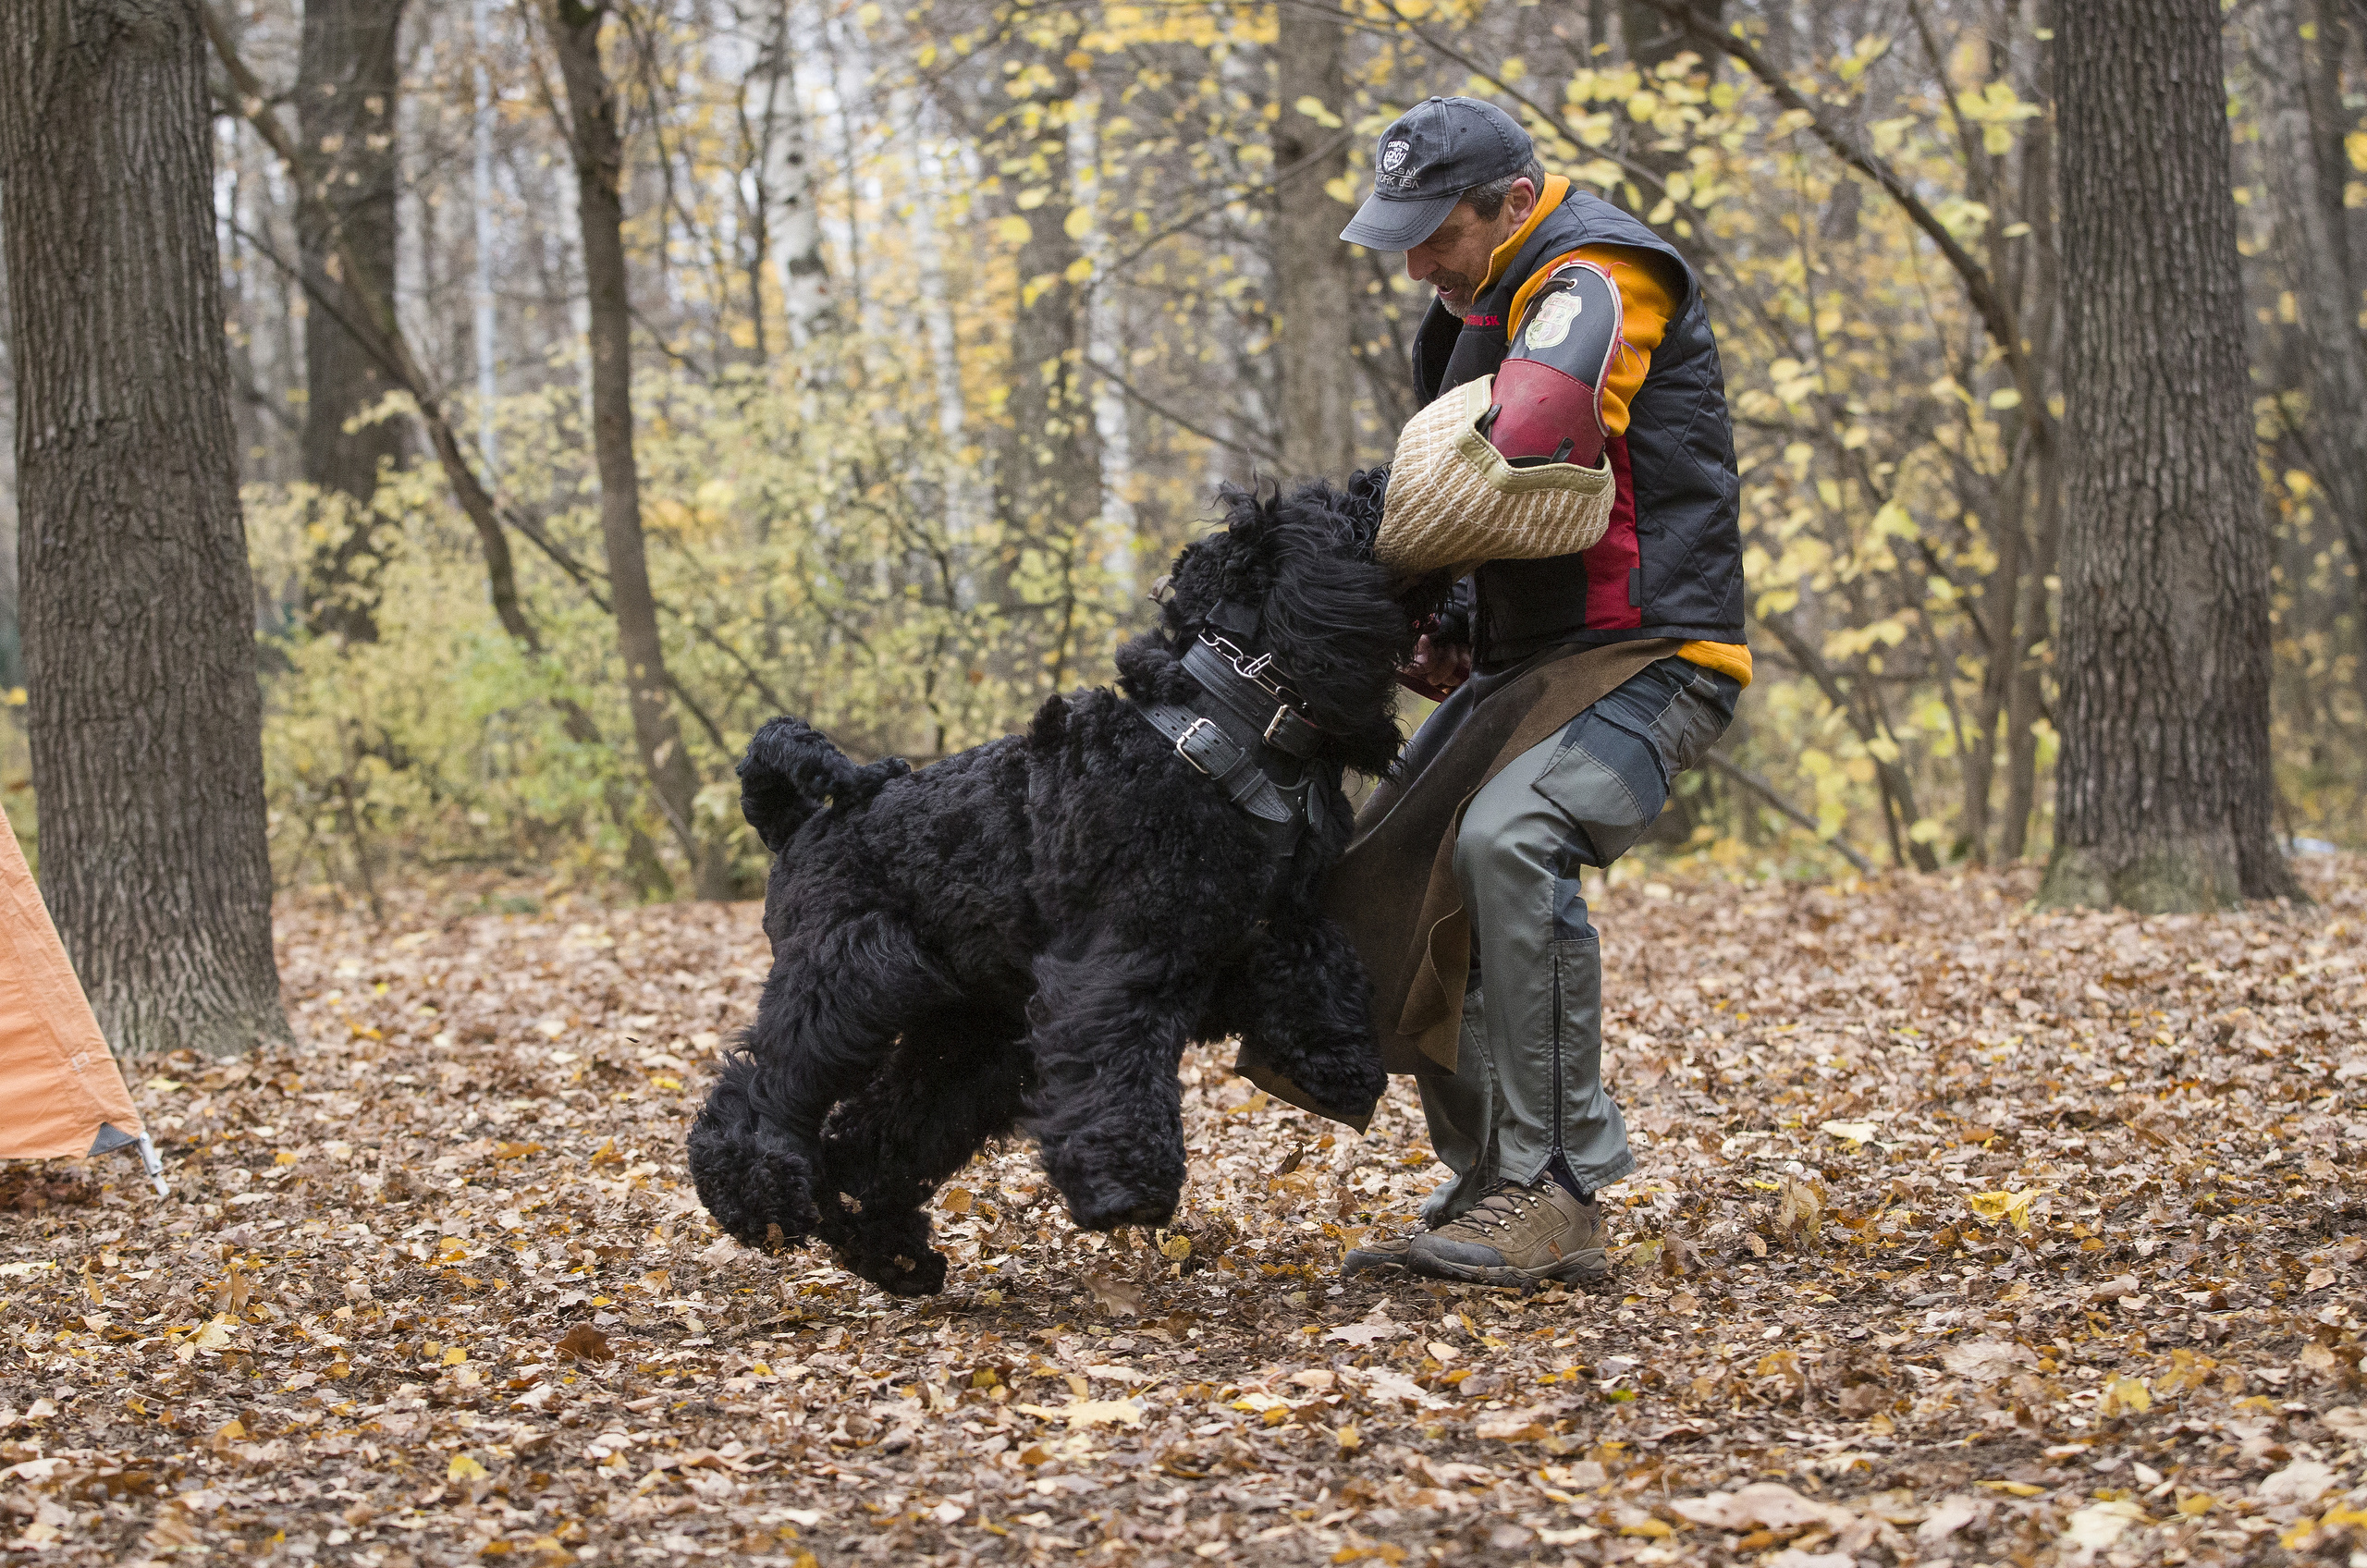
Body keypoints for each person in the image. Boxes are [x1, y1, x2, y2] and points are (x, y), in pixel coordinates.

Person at [1336, 97, 1749, 1289]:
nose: (1418, 260)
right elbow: (1496, 522)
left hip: (1656, 655)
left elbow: (1528, 439)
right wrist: (1454, 623)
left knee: (1512, 838)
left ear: (1513, 202)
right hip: (1536, 666)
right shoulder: (1472, 307)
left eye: (1437, 232)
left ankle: (1556, 1187)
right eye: (1402, 233)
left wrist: (1368, 571)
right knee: (1394, 865)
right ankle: (1485, 1185)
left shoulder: (1600, 275)